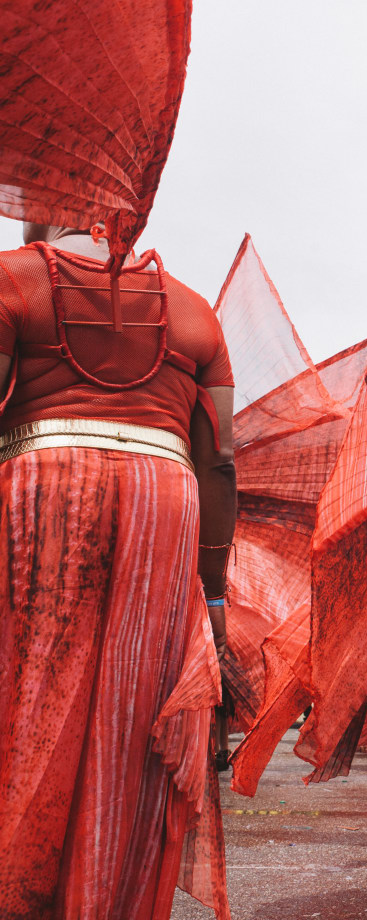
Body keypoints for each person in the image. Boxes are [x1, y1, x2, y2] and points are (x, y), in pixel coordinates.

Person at [0, 224, 234, 919]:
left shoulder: (14, 278)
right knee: (134, 718)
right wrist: (215, 596)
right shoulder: (193, 308)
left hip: (41, 483)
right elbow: (220, 460)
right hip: (168, 496)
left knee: (25, 694)